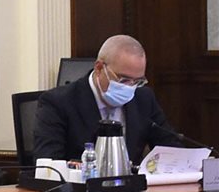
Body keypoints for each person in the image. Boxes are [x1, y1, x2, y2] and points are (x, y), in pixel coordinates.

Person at [33, 34, 179, 162]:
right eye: (124, 80)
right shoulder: (58, 102)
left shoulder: (143, 98)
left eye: (137, 81)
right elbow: (49, 163)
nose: (130, 87)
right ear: (99, 68)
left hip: (131, 184)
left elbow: (171, 148)